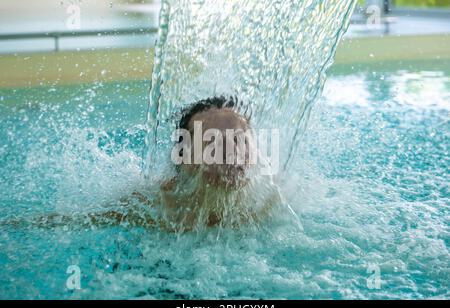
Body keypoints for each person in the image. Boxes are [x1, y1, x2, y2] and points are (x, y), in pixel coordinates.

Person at [5, 96, 296, 233]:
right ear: (183, 158)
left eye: (240, 141)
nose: (230, 155)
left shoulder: (271, 202)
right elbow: (76, 219)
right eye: (212, 143)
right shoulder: (157, 205)